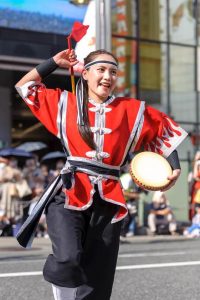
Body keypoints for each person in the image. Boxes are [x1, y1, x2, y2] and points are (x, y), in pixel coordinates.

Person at [15, 48, 187, 300]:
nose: (108, 76)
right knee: (67, 258)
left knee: (98, 276)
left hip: (109, 198)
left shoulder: (132, 109)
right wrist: (53, 63)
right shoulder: (64, 102)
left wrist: (174, 167)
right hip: (69, 191)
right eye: (101, 69)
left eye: (114, 72)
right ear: (84, 74)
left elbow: (163, 131)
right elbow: (25, 86)